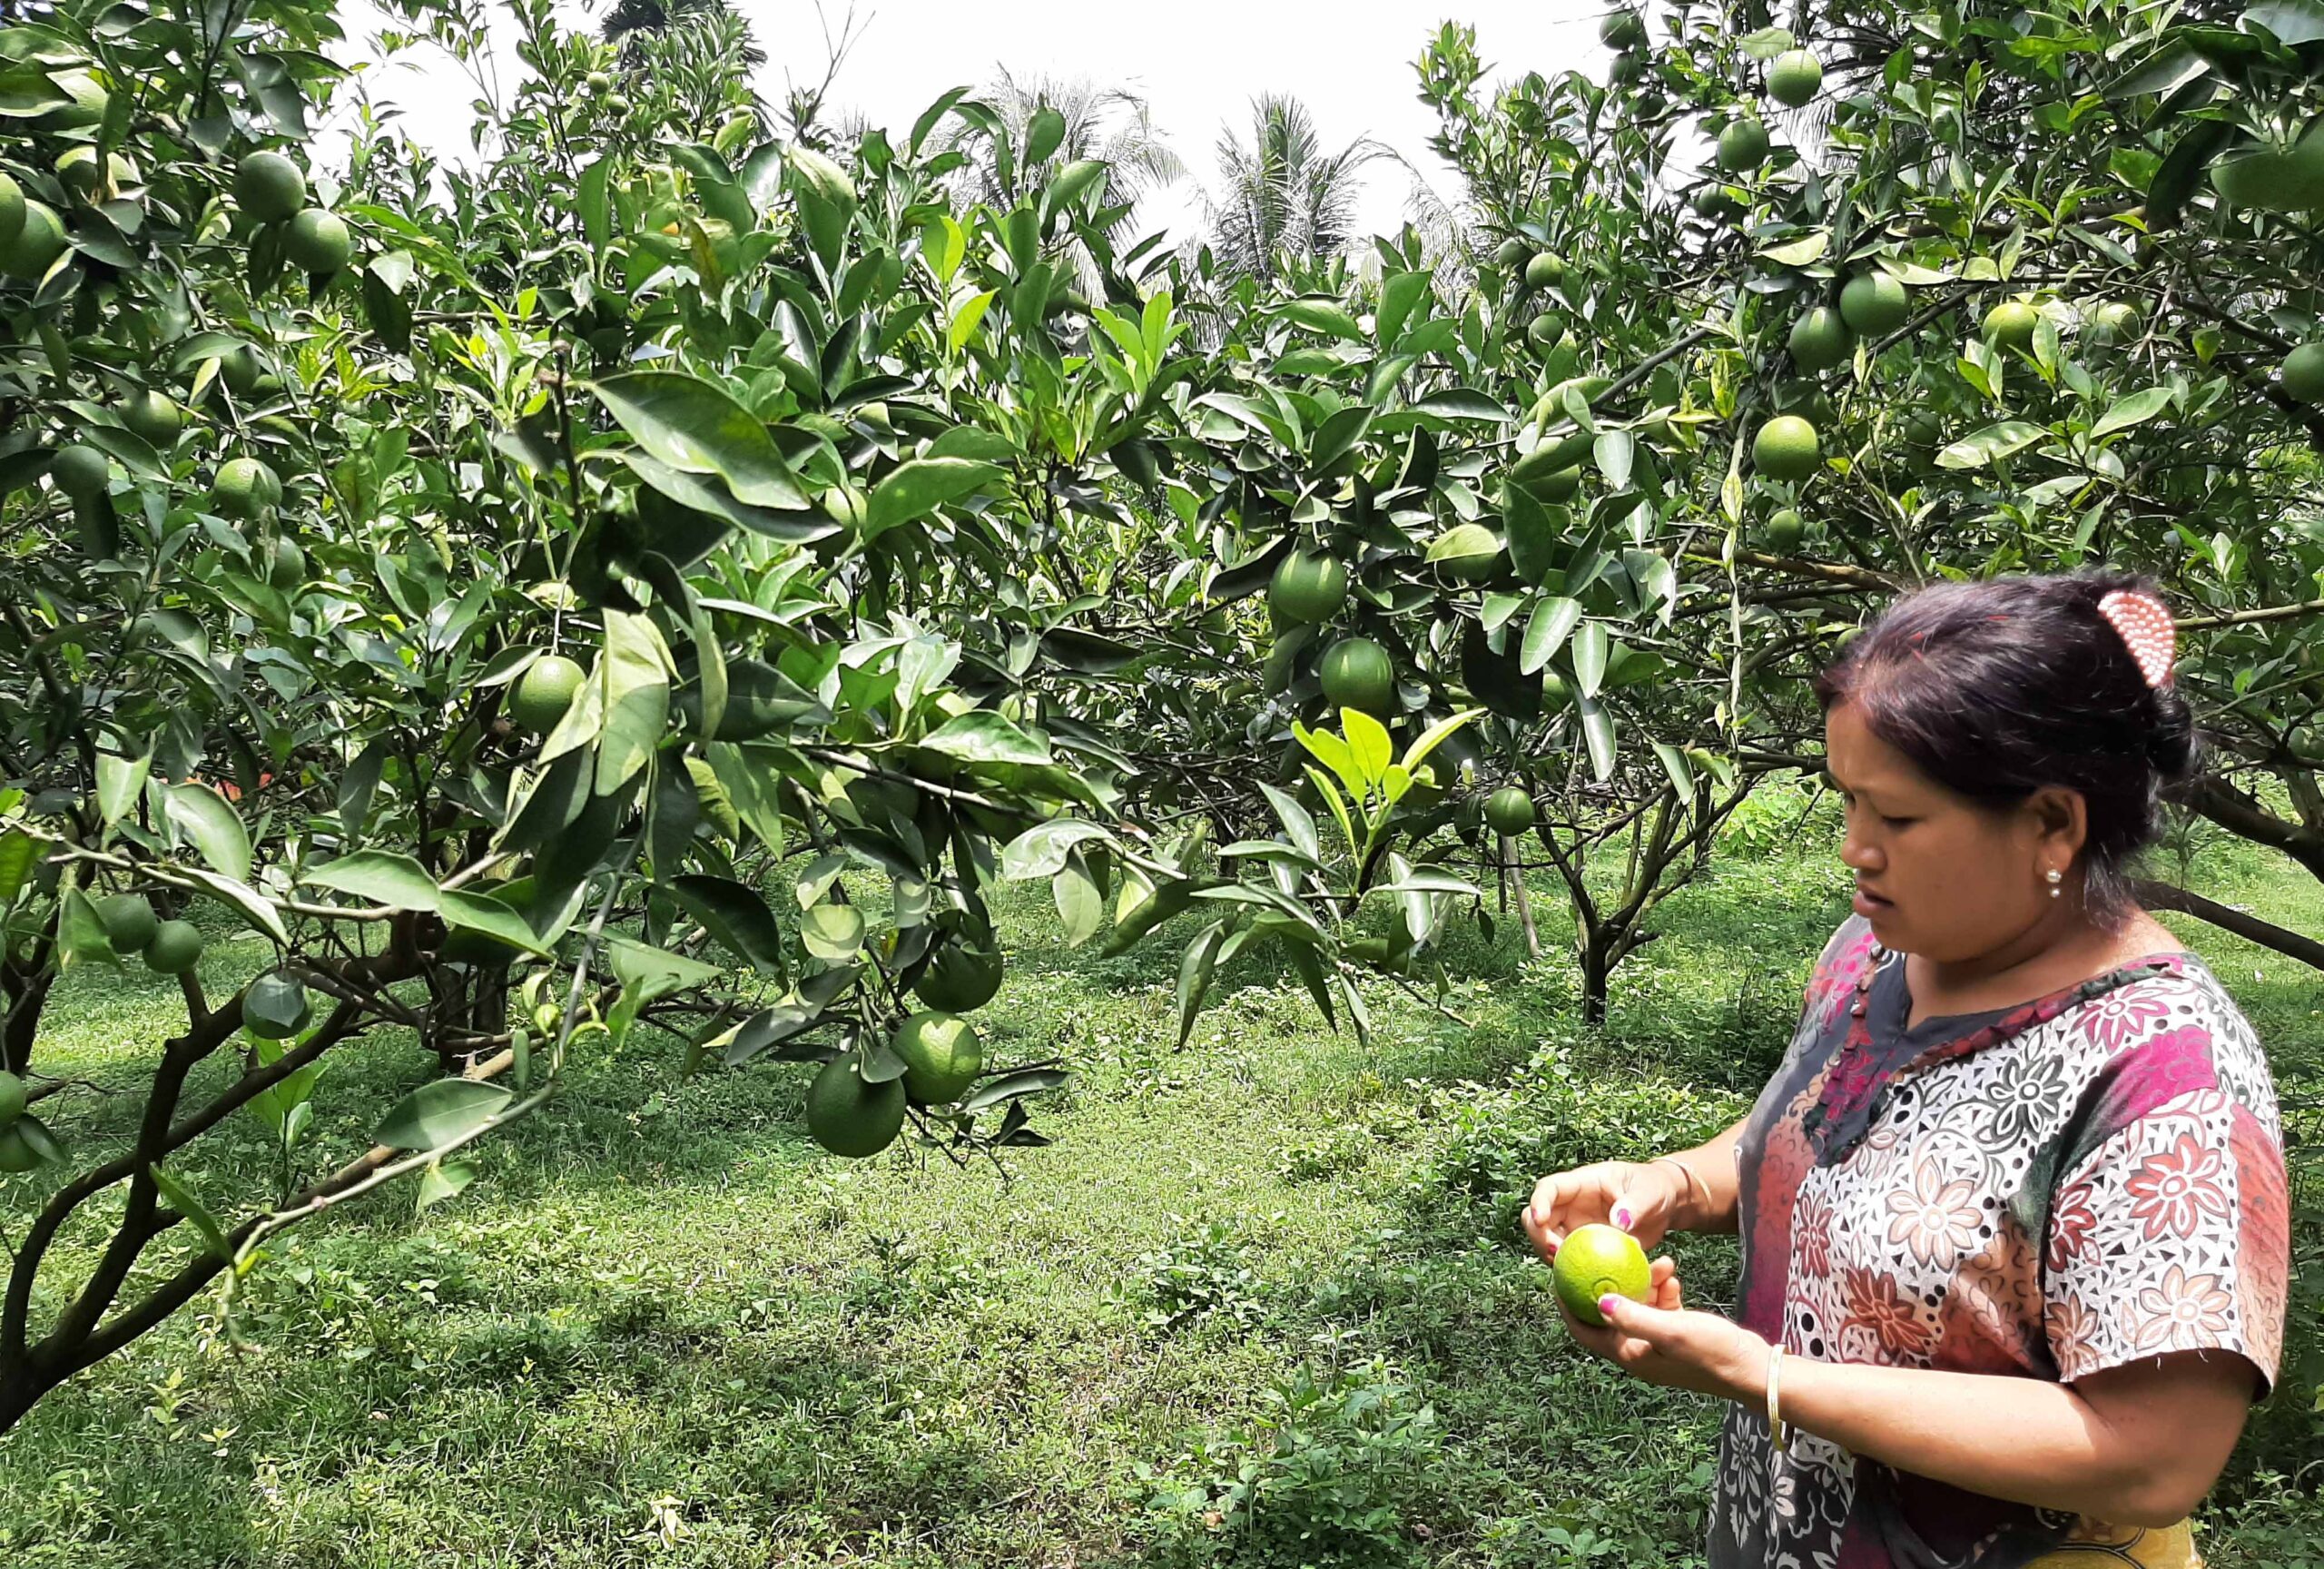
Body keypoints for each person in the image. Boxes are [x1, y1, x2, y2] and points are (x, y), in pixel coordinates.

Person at [1520, 571, 2290, 1568]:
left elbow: (2151, 1458)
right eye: (1847, 803)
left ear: (2053, 824)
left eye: (1897, 819)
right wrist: (1670, 1182)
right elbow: (1821, 1132)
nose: (1854, 851)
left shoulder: (2161, 1069)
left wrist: (1765, 1376)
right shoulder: (1873, 951)